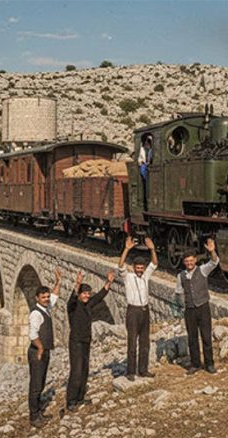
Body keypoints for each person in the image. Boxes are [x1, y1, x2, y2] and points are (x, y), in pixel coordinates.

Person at [66, 270, 115, 412]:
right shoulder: (73, 306)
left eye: (88, 293)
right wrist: (77, 284)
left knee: (84, 369)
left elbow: (100, 296)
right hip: (76, 341)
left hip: (86, 340)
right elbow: (72, 298)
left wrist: (109, 282)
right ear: (79, 294)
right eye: (84, 293)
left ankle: (80, 397)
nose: (87, 296)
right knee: (76, 370)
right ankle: (71, 401)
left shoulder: (88, 304)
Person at [174, 238, 220, 375]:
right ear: (184, 262)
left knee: (206, 337)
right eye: (186, 261)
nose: (189, 263)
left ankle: (209, 364)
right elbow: (179, 292)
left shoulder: (203, 270)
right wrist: (182, 306)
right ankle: (195, 364)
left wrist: (212, 251)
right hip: (189, 310)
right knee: (192, 338)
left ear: (195, 260)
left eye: (191, 260)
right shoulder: (180, 276)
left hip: (203, 307)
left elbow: (214, 262)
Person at [117, 235, 158, 381]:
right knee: (132, 342)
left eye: (141, 268)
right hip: (133, 311)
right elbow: (120, 265)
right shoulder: (128, 277)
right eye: (138, 268)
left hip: (145, 311)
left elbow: (154, 263)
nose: (140, 270)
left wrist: (152, 249)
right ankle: (130, 371)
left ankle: (143, 370)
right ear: (134, 268)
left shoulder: (146, 276)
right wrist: (126, 249)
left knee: (145, 342)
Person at [28, 269, 61, 428]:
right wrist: (40, 348)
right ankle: (34, 416)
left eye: (47, 297)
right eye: (44, 297)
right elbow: (32, 334)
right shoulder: (36, 314)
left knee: (40, 382)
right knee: (35, 385)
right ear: (37, 298)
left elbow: (54, 297)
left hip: (44, 351)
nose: (47, 299)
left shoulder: (45, 308)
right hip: (37, 352)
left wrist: (58, 282)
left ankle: (39, 412)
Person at [138, 135, 153, 209]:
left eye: (148, 143)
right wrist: (142, 162)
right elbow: (139, 158)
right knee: (143, 171)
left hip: (148, 164)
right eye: (146, 143)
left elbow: (151, 158)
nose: (146, 144)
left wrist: (149, 162)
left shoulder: (151, 150)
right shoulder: (141, 149)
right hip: (143, 164)